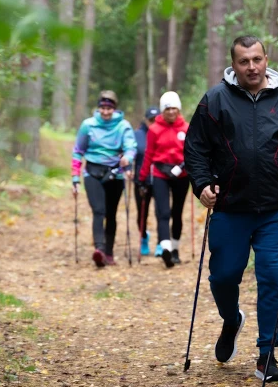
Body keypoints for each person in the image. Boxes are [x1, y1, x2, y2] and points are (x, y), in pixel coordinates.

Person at [184, 35, 278, 382]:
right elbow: (195, 148)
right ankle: (231, 319)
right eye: (244, 61)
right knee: (223, 277)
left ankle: (267, 354)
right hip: (230, 208)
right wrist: (202, 185)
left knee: (273, 280)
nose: (252, 67)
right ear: (233, 65)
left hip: (273, 212)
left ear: (267, 60)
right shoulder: (215, 100)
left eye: (257, 59)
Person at [71, 90, 137, 268]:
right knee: (98, 210)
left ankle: (109, 252)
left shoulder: (123, 126)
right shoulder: (88, 125)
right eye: (102, 108)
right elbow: (78, 151)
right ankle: (99, 250)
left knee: (111, 213)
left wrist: (128, 158)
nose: (106, 112)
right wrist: (75, 178)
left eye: (109, 108)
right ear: (98, 108)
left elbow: (131, 146)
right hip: (92, 172)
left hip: (114, 174)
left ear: (114, 109)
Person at [138, 91, 190, 269]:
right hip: (160, 174)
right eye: (167, 109)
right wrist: (142, 177)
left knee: (177, 213)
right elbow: (149, 154)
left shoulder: (186, 128)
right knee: (163, 212)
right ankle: (166, 248)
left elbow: (192, 153)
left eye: (174, 108)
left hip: (181, 175)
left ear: (178, 109)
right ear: (162, 110)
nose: (171, 112)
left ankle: (175, 249)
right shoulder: (154, 130)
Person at [133, 107, 159, 256]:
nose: (153, 123)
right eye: (150, 120)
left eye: (156, 120)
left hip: (159, 178)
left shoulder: (162, 131)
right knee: (142, 212)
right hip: (141, 180)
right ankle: (143, 237)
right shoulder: (137, 135)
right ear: (146, 120)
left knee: (161, 212)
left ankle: (162, 243)